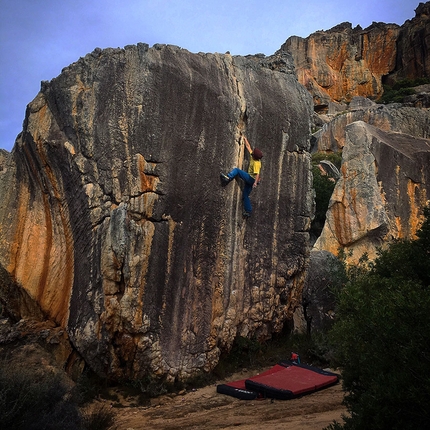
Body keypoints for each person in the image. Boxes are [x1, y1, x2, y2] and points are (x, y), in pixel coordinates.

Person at [220, 136, 263, 217]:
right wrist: (245, 138)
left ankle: (228, 178)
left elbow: (257, 174)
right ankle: (248, 211)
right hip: (251, 180)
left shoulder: (257, 163)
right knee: (245, 195)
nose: (252, 153)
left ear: (255, 156)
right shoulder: (254, 157)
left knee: (237, 170)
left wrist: (255, 183)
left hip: (251, 179)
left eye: (253, 153)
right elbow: (248, 147)